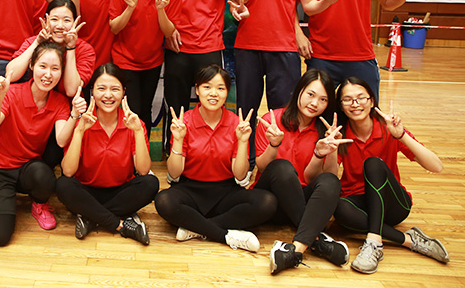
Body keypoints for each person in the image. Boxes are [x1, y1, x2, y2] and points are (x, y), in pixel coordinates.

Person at [233, 0, 345, 167]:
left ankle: (280, 165)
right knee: (245, 111)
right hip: (247, 45)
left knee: (285, 114)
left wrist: (326, 1)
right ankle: (247, 163)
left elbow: (309, 5)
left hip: (284, 48)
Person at [332, 77, 449, 274]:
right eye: (348, 99)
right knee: (338, 206)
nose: (355, 104)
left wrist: (401, 135)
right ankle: (409, 240)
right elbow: (330, 178)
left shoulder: (388, 128)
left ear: (371, 101)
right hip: (358, 205)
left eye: (361, 98)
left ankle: (373, 244)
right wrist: (332, 148)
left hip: (393, 205)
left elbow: (436, 166)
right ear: (341, 106)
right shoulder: (340, 135)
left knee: (373, 164)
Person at [154, 64, 276, 251]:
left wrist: (243, 141)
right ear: (197, 89)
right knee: (164, 201)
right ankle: (224, 235)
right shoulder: (184, 122)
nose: (213, 93)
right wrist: (177, 139)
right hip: (190, 189)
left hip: (226, 191)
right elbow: (174, 173)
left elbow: (240, 175)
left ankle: (196, 228)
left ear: (227, 92)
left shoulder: (236, 123)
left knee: (267, 202)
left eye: (220, 88)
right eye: (207, 87)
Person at [163, 0, 256, 145]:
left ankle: (210, 148)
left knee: (212, 106)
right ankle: (175, 150)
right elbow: (157, 5)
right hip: (177, 47)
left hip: (210, 47)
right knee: (176, 106)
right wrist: (166, 31)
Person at [0, 42, 82, 246]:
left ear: (61, 72)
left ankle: (39, 204)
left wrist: (74, 115)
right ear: (32, 66)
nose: (48, 74)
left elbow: (61, 140)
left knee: (44, 175)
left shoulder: (59, 101)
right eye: (42, 66)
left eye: (55, 69)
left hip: (28, 168)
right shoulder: (12, 92)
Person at [254, 69, 353, 274]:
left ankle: (297, 250)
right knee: (282, 168)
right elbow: (262, 168)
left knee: (331, 181)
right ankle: (318, 240)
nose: (315, 103)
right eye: (310, 94)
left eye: (323, 99)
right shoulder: (272, 120)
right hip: (271, 200)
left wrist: (324, 153)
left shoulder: (327, 132)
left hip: (301, 202)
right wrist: (274, 144)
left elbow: (319, 179)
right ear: (299, 91)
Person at [56, 64, 159, 244]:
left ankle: (90, 216)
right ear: (92, 92)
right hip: (87, 191)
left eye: (115, 89)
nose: (108, 95)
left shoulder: (133, 123)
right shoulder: (83, 122)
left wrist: (137, 131)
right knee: (63, 185)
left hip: (121, 191)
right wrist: (79, 131)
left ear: (124, 92)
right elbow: (68, 172)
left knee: (151, 183)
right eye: (101, 89)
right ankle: (121, 225)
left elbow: (143, 171)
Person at [109, 0, 181, 132]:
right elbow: (114, 28)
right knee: (131, 111)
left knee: (146, 110)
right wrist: (130, 7)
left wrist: (161, 9)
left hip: (153, 61)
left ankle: (143, 151)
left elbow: (169, 32)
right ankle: (129, 152)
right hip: (125, 59)